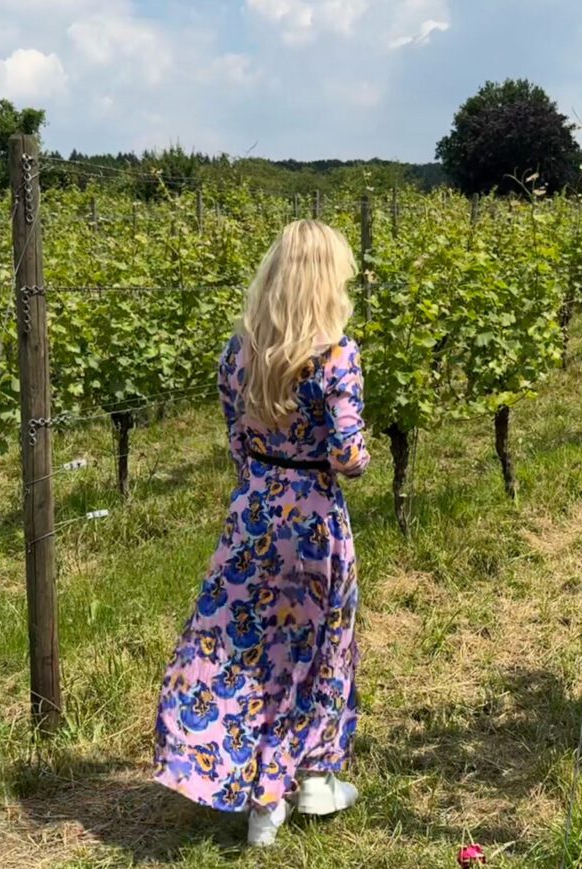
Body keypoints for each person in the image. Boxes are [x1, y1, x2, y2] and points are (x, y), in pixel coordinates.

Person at [151, 219, 370, 847]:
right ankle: (301, 785)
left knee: (239, 644)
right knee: (315, 648)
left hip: (254, 512)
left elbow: (236, 442)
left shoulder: (238, 352)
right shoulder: (336, 354)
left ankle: (258, 786)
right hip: (312, 520)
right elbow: (349, 457)